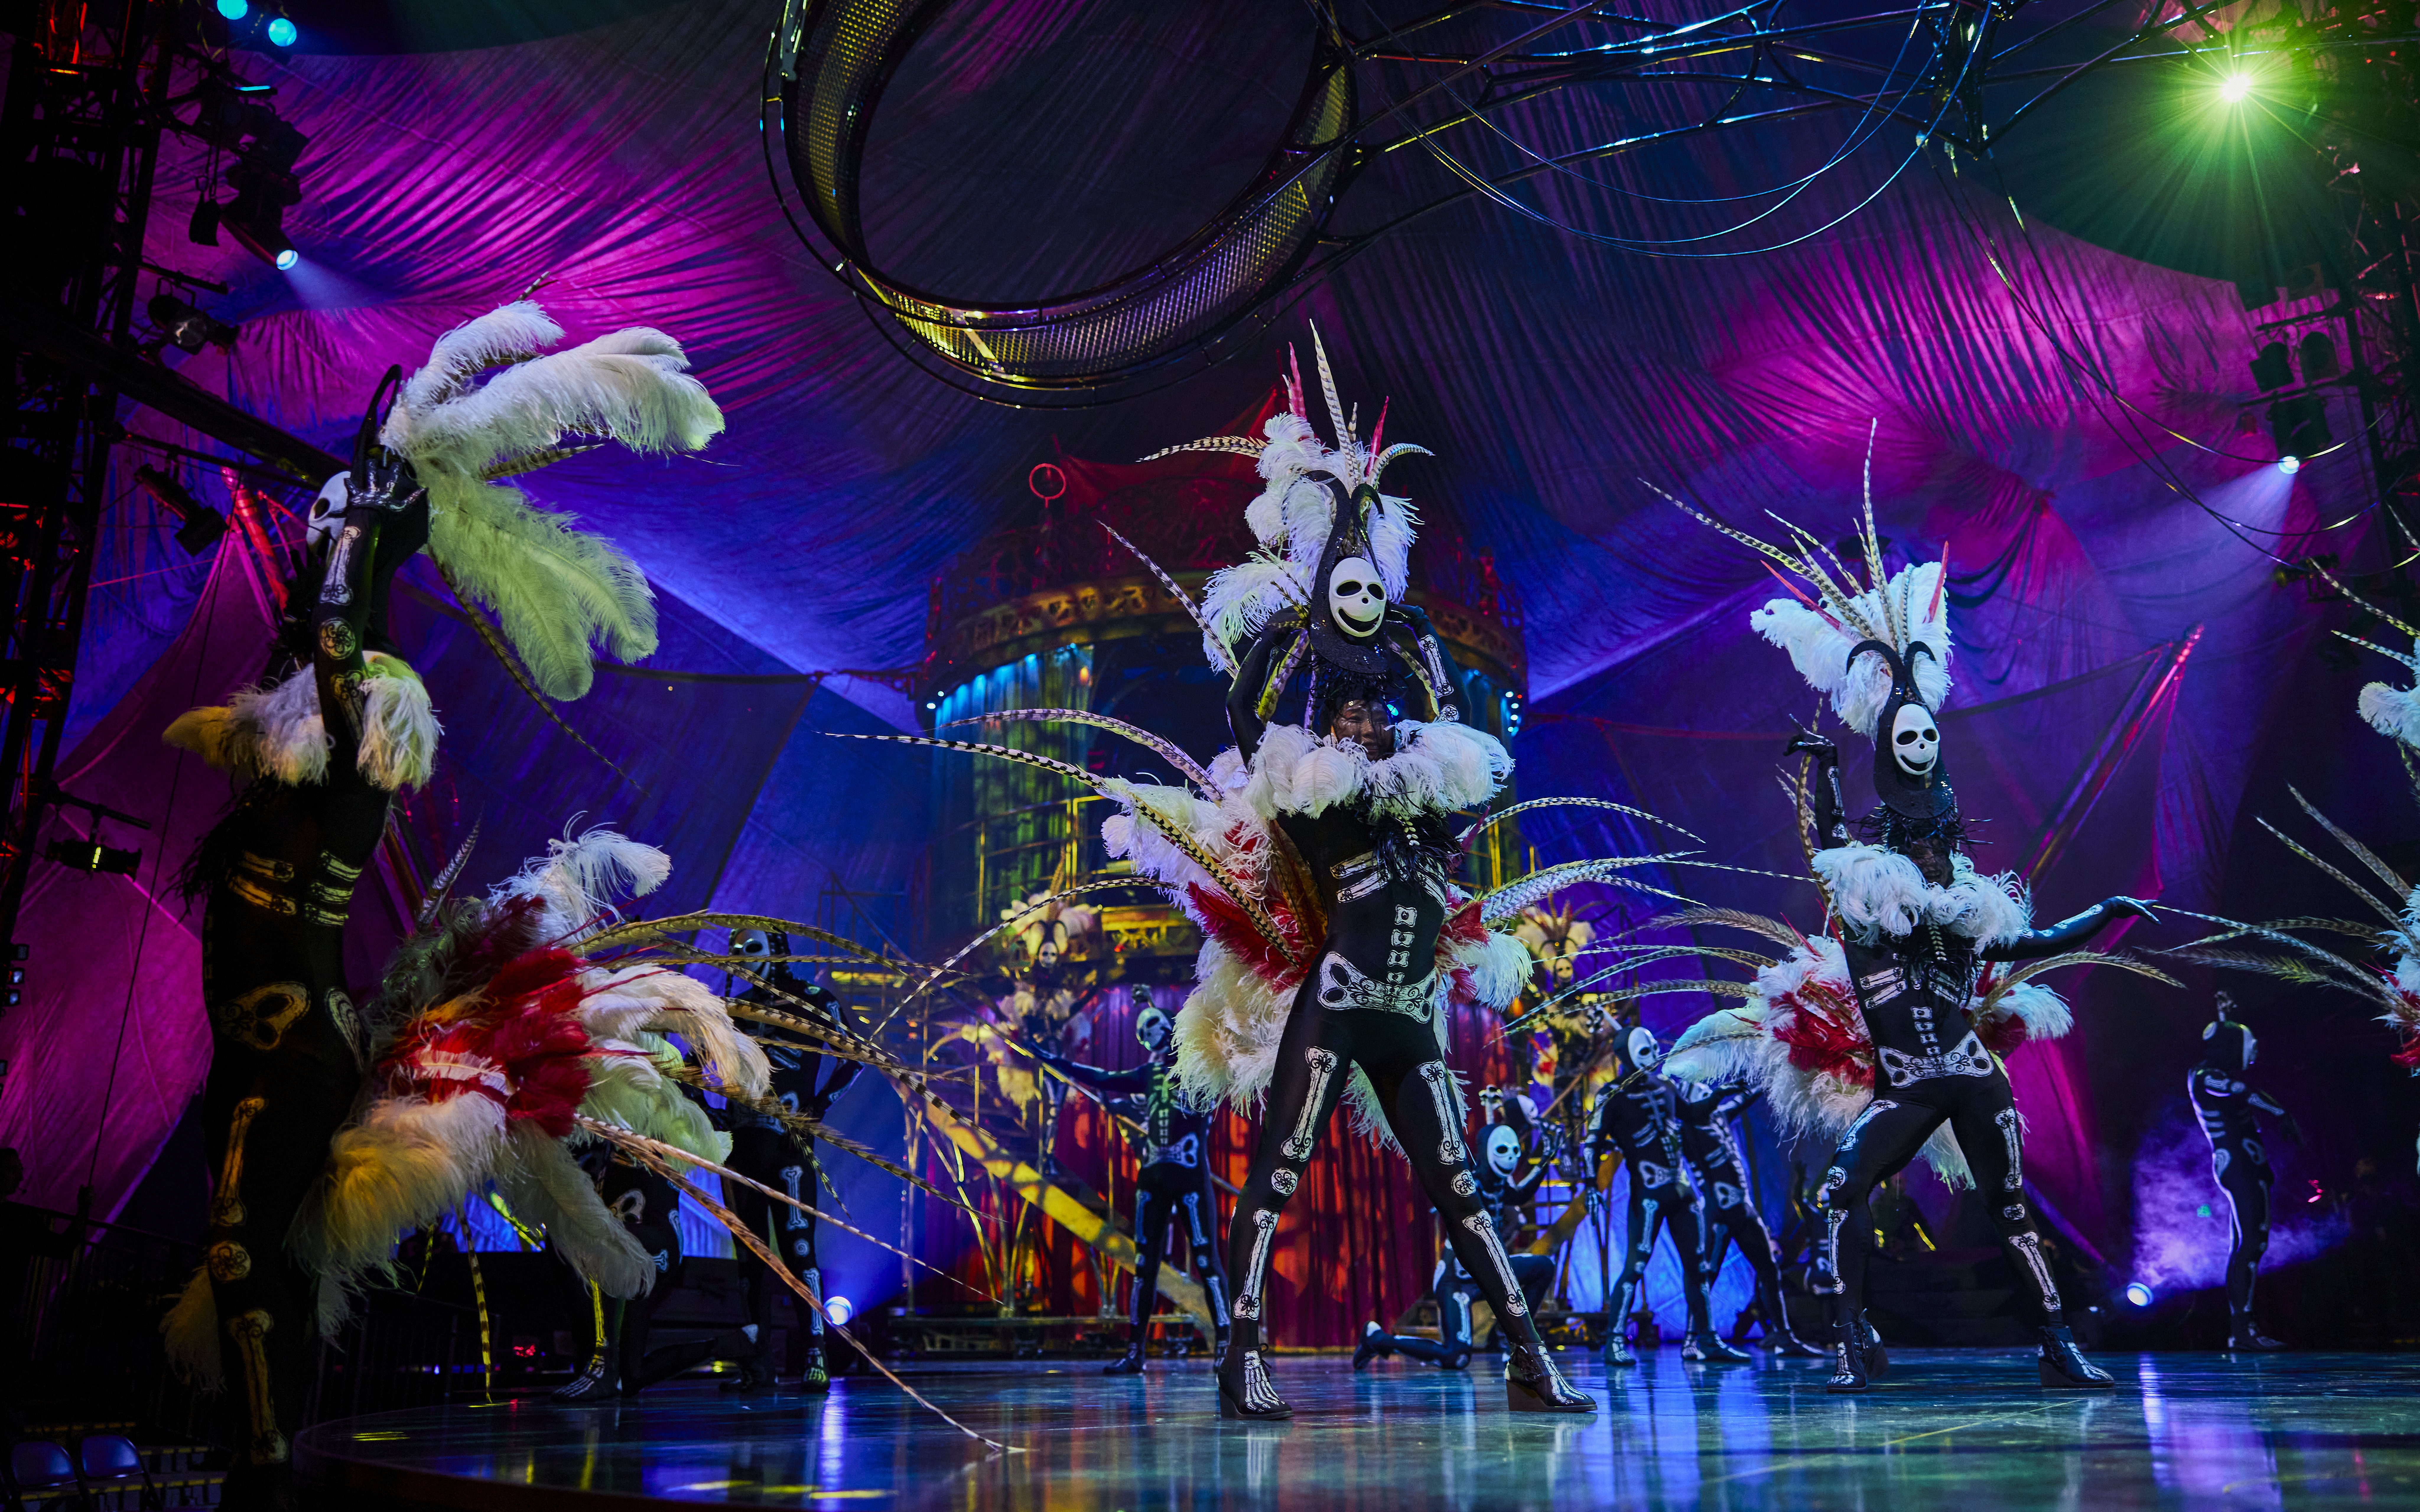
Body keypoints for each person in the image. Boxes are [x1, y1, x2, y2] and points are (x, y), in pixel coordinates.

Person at [1028, 986, 1232, 1372]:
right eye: (1144, 1029)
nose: (1151, 1032)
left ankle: (1226, 1343)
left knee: (1206, 1259)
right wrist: (1056, 1062)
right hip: (1153, 1180)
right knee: (1145, 1265)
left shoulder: (1200, 1069)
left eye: (1156, 1024)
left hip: (1190, 1179)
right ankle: (1136, 1352)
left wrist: (1167, 1020)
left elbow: (1203, 1058)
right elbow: (1102, 1078)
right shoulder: (1148, 1075)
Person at [719, 928, 865, 1392]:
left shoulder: (812, 1000)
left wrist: (819, 1105)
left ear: (777, 952)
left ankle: (815, 1354)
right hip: (743, 1148)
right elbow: (700, 1065)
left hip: (789, 1150)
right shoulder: (731, 1011)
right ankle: (757, 1362)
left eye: (752, 949)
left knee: (799, 1249)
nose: (741, 957)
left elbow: (856, 1056)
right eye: (735, 950)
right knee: (751, 1256)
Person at [1587, 1025, 1751, 1366]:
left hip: (1681, 1190)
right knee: (1636, 1264)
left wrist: (1722, 1095)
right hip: (1648, 1193)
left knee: (1699, 1265)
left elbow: (1691, 1114)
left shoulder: (1664, 1086)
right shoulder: (1611, 1095)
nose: (1651, 1055)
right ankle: (1613, 1339)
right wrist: (1590, 1185)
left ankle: (1706, 1339)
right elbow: (1592, 1142)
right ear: (1626, 1055)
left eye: (1651, 1048)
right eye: (1642, 1050)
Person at [1353, 1120, 1557, 1371]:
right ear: (1485, 1152)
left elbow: (1521, 1195)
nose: (1512, 1159)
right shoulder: (1468, 1184)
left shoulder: (1501, 1185)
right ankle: (1378, 1340)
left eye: (1516, 1152)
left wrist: (1547, 1157)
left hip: (1489, 1271)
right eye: (1503, 1151)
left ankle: (1514, 1341)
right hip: (1458, 1279)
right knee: (1456, 1357)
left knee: (1544, 1267)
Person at [1669, 1077, 1822, 1355]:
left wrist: (1765, 1079)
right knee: (1705, 1275)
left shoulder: (1717, 1118)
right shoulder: (1690, 1130)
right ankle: (1694, 1340)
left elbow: (1740, 1101)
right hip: (1719, 1211)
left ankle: (1783, 1336)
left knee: (1768, 1269)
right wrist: (1720, 1095)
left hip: (1741, 1207)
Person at [2190, 1000, 2296, 1351]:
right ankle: (2242, 1327)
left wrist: (2225, 1019)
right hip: (2237, 1165)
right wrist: (2280, 1112)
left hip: (2244, 1163)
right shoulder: (2206, 1076)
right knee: (2250, 1244)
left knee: (2248, 1244)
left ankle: (2243, 1327)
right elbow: (2241, 1091)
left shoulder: (2214, 1074)